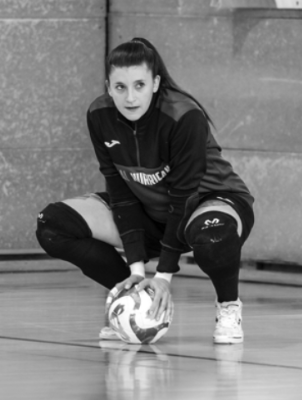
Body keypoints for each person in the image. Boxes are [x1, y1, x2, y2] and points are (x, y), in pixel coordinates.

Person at [36, 38, 254, 344]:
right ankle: (133, 296)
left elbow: (184, 196)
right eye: (120, 87)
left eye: (139, 85)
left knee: (213, 238)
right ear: (109, 87)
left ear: (155, 84)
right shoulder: (99, 114)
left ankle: (228, 305)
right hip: (148, 210)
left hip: (206, 203)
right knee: (53, 225)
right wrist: (137, 268)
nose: (130, 97)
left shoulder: (183, 115)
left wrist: (164, 276)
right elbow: (119, 190)